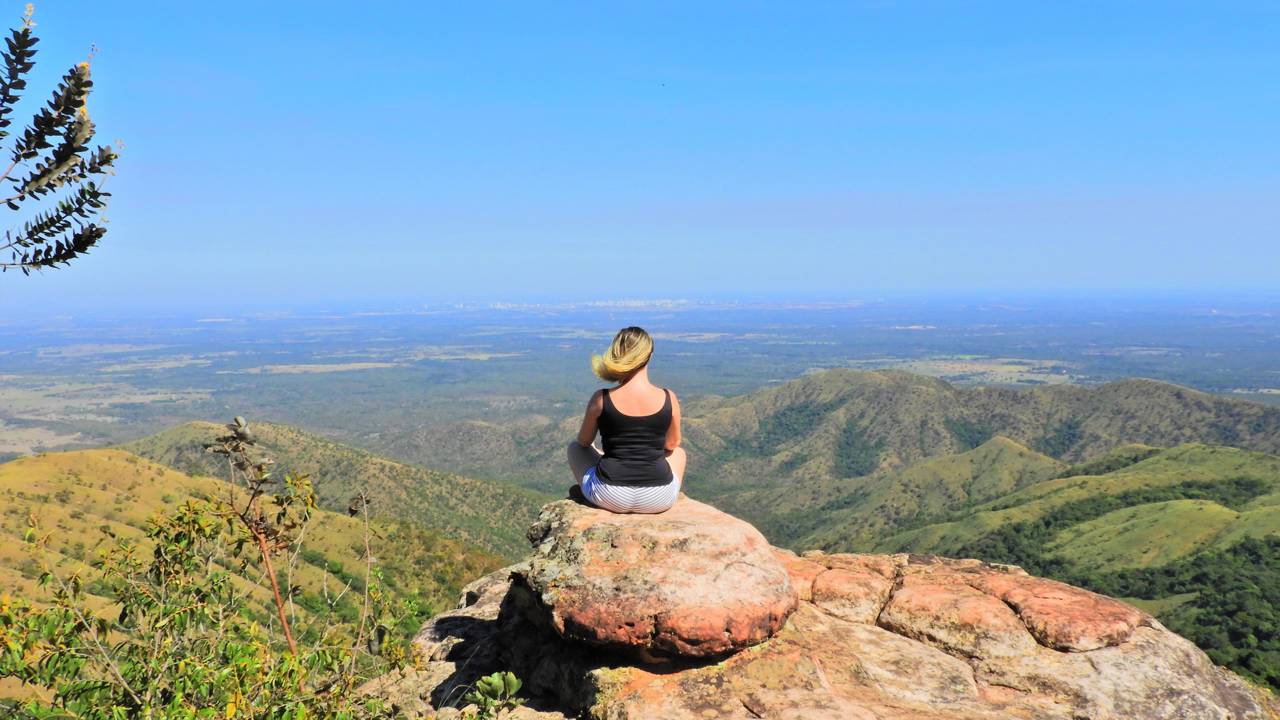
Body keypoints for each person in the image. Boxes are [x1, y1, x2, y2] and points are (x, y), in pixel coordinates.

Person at [567, 326, 686, 513]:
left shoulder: (601, 398)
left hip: (609, 494)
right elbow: (672, 444)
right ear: (650, 355)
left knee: (574, 448)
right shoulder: (668, 397)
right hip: (658, 498)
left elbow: (583, 442)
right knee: (679, 452)